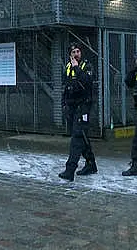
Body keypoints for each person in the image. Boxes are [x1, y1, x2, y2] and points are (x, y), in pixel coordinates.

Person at [58, 43, 97, 182]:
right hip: (72, 107)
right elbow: (66, 87)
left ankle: (70, 169)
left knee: (77, 138)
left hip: (83, 106)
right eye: (73, 52)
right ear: (70, 55)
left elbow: (87, 81)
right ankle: (91, 164)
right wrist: (64, 104)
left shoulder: (86, 66)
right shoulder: (67, 68)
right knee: (82, 136)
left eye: (78, 51)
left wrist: (76, 67)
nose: (76, 54)